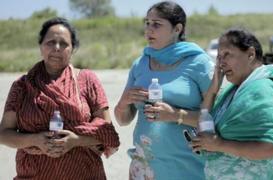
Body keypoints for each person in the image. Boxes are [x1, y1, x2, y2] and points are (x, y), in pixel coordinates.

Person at [0, 17, 120, 180]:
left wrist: (75, 140)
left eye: (64, 43)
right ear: (41, 46)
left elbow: (107, 132)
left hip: (85, 173)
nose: (57, 48)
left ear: (72, 48)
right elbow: (4, 133)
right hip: (33, 174)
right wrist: (35, 140)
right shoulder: (22, 86)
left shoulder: (87, 80)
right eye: (50, 42)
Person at [191, 27, 273, 179]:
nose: (221, 63)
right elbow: (204, 117)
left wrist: (218, 144)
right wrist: (213, 89)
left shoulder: (261, 90)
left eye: (227, 54)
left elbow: (269, 148)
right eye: (219, 56)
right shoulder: (236, 90)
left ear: (250, 54)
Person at [114, 1, 214, 179]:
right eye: (147, 23)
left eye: (157, 24)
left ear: (177, 29)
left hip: (187, 169)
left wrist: (176, 115)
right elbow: (122, 120)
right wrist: (124, 102)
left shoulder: (199, 63)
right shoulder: (140, 64)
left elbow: (219, 117)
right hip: (145, 169)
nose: (148, 30)